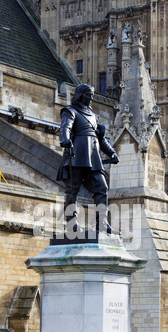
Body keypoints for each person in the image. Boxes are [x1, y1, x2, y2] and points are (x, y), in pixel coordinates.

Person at [57, 83, 119, 234]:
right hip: (76, 154)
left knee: (102, 188)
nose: (90, 98)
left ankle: (101, 223)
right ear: (79, 95)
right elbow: (66, 127)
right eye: (87, 95)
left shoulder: (93, 116)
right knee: (73, 191)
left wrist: (111, 153)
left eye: (91, 95)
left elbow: (100, 139)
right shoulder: (70, 111)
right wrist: (65, 140)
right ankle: (72, 223)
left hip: (93, 157)